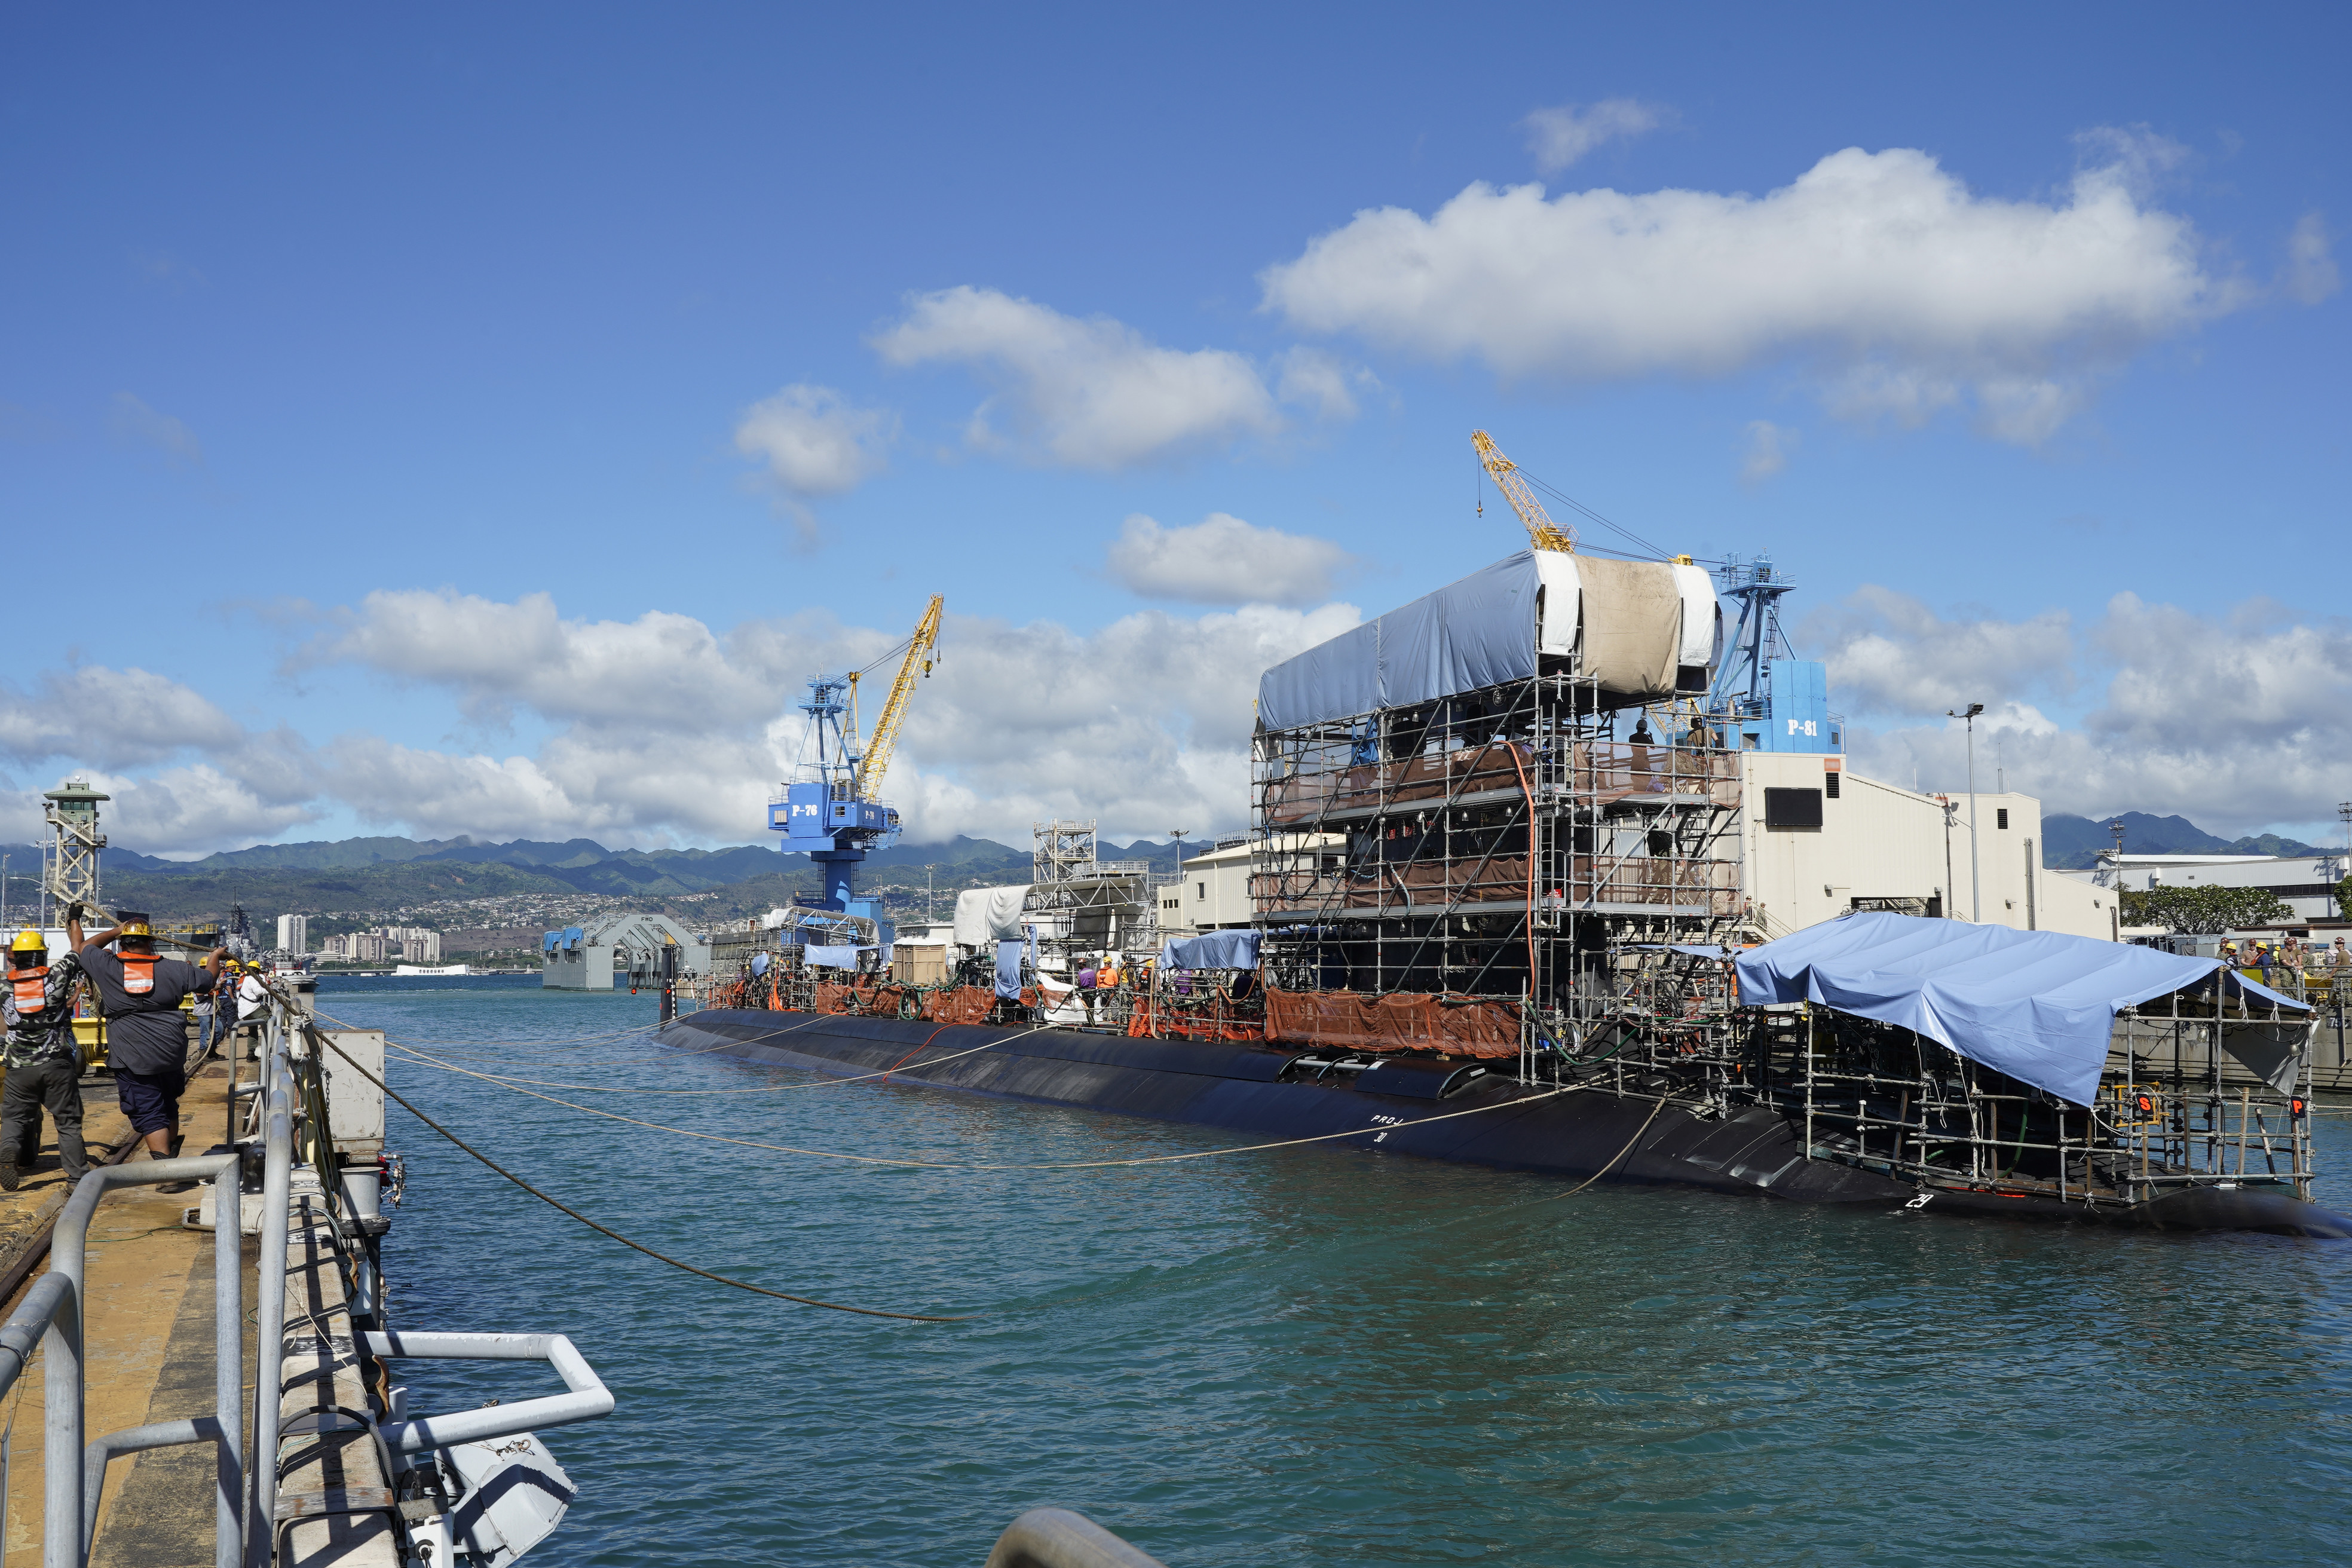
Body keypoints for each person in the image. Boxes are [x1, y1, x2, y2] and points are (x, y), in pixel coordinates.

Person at [69, 906, 226, 1195]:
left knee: (148, 1110)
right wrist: (215, 956)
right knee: (167, 1103)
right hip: (170, 1051)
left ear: (122, 943)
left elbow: (83, 947)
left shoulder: (107, 965)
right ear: (151, 941)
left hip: (131, 1054)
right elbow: (208, 981)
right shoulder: (176, 969)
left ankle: (165, 1172)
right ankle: (170, 1159)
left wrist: (116, 929)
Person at [0, 929, 87, 1191]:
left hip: (19, 1069)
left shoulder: (4, 987)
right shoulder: (57, 976)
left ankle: (8, 1149)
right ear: (42, 955)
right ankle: (77, 1179)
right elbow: (78, 947)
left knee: (14, 1119)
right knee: (68, 1122)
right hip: (56, 1065)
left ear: (15, 958)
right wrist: (75, 919)